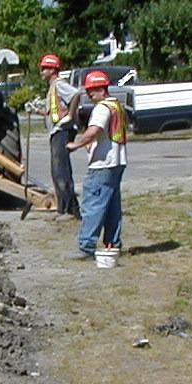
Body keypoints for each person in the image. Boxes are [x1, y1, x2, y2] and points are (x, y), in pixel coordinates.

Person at [65, 70, 128, 260]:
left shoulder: (102, 108)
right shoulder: (117, 106)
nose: (90, 94)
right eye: (88, 90)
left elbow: (94, 130)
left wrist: (76, 144)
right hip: (118, 161)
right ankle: (112, 243)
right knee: (111, 206)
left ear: (103, 89)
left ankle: (86, 247)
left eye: (93, 90)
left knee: (93, 204)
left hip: (103, 163)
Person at [38, 54, 80, 218]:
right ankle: (65, 208)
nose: (42, 71)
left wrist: (70, 115)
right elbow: (54, 111)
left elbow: (75, 94)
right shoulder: (52, 87)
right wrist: (40, 112)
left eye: (44, 68)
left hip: (62, 131)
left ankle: (69, 210)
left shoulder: (59, 84)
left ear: (52, 69)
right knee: (57, 172)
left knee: (61, 171)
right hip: (56, 131)